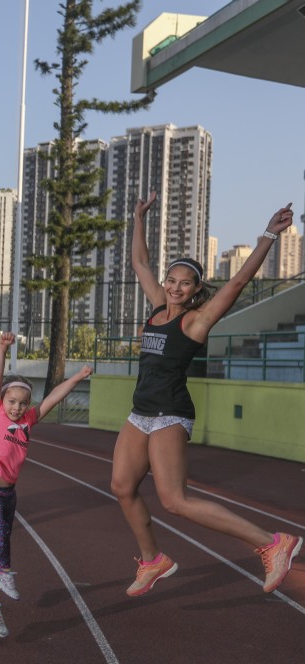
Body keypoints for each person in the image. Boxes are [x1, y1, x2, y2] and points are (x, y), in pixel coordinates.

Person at [111, 191, 302, 597]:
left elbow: (238, 280)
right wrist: (138, 217)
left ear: (196, 288)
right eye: (172, 281)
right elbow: (139, 262)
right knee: (122, 487)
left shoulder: (197, 321)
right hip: (140, 412)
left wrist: (269, 233)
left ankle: (272, 543)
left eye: (185, 283)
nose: (176, 288)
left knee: (174, 500)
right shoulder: (156, 308)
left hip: (169, 413)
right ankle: (153, 561)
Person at [0, 331, 92, 639]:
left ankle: (5, 571)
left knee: (7, 536)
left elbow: (54, 396)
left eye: (22, 403)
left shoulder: (28, 421)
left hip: (9, 492)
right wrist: (1, 347)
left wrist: (77, 377)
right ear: (2, 401)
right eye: (12, 401)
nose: (17, 407)